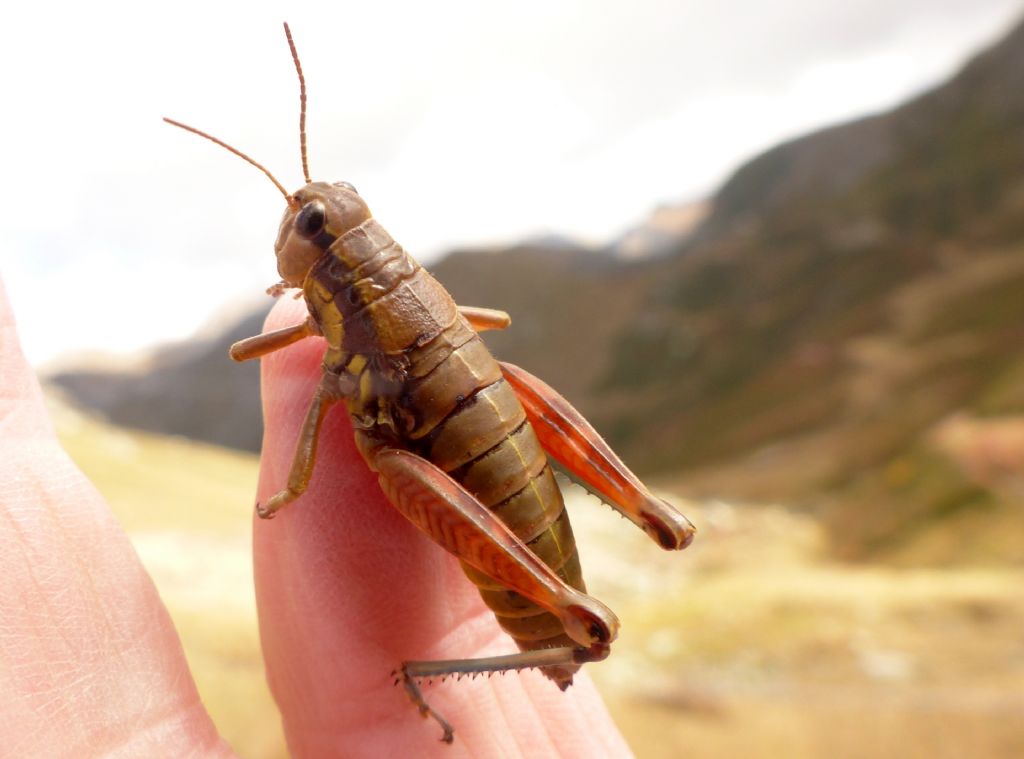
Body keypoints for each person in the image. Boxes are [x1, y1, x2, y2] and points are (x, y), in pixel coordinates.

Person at [0, 282, 631, 757]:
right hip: (462, 423)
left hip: (468, 454)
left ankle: (555, 620)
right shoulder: (373, 295)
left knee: (404, 440)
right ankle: (561, 613)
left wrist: (295, 485)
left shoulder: (358, 316)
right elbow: (490, 319)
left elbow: (251, 352)